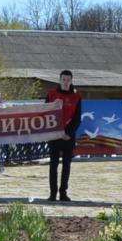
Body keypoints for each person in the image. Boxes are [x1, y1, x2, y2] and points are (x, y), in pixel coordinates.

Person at [46, 69, 81, 202]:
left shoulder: (77, 97)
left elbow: (77, 118)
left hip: (68, 137)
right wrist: (56, 132)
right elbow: (46, 115)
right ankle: (53, 193)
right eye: (63, 79)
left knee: (66, 165)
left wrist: (68, 133)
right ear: (59, 80)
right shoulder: (51, 94)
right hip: (54, 136)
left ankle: (63, 193)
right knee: (53, 165)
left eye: (68, 80)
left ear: (71, 81)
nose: (66, 82)